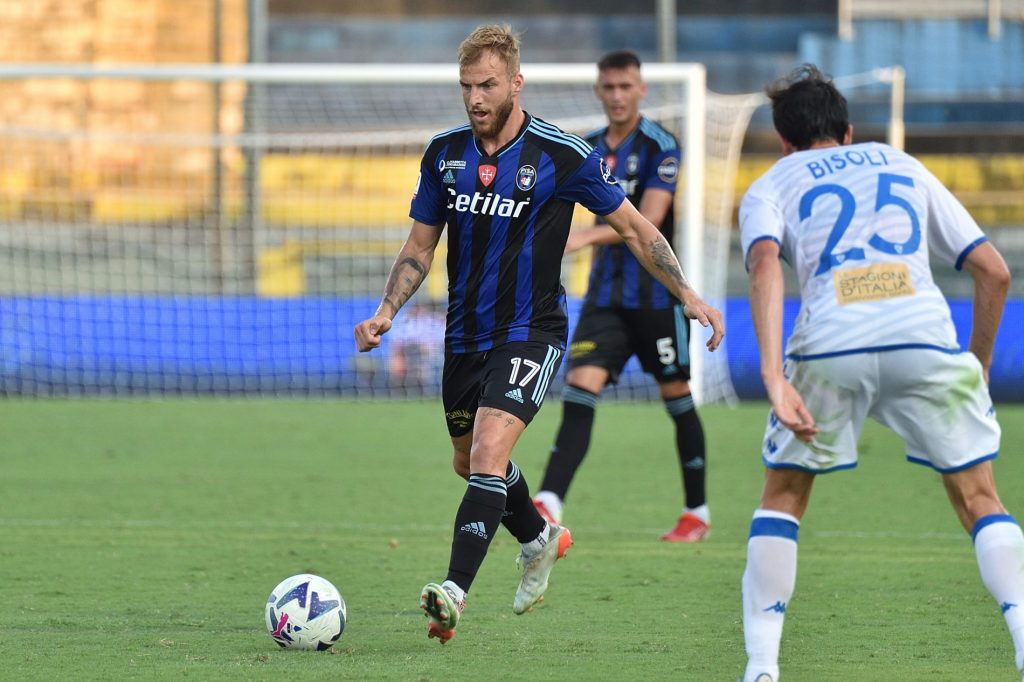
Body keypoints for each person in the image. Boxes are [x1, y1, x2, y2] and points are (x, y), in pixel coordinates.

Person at [354, 25, 724, 645]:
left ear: (516, 83)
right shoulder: (443, 154)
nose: (475, 98)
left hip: (532, 330)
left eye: (487, 85)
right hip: (464, 336)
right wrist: (387, 309)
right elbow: (419, 246)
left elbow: (636, 229)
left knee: (488, 455)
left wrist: (686, 292)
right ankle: (537, 538)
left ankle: (453, 593)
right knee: (468, 462)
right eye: (467, 86)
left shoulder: (563, 154)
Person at [737, 64, 1020, 682]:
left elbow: (764, 264)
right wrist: (975, 367)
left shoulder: (771, 183)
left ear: (783, 141)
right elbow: (994, 272)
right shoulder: (900, 163)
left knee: (783, 498)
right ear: (848, 131)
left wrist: (774, 377)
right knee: (980, 498)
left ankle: (761, 668)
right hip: (923, 337)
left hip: (829, 345)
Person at [531, 50, 710, 542]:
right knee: (580, 385)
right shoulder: (584, 148)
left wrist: (584, 237)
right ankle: (548, 500)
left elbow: (648, 218)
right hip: (605, 298)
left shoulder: (661, 146)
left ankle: (696, 512)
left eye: (625, 87)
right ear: (598, 90)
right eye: (608, 87)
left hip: (656, 297)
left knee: (676, 394)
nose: (616, 96)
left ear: (641, 90)